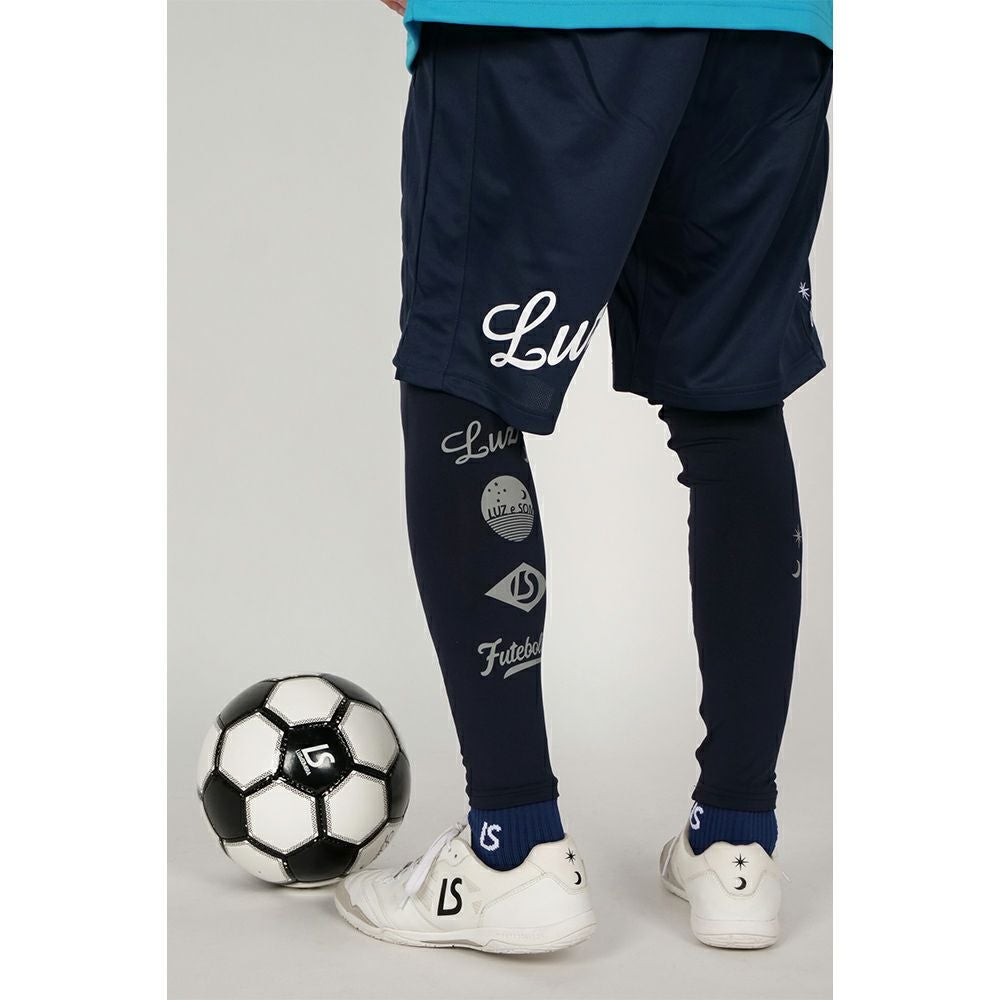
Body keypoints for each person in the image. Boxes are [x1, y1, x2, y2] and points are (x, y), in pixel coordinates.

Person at [332, 0, 832, 953]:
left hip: (543, 23)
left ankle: (512, 848)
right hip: (769, 29)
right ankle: (737, 845)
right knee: (732, 403)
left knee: (464, 375)